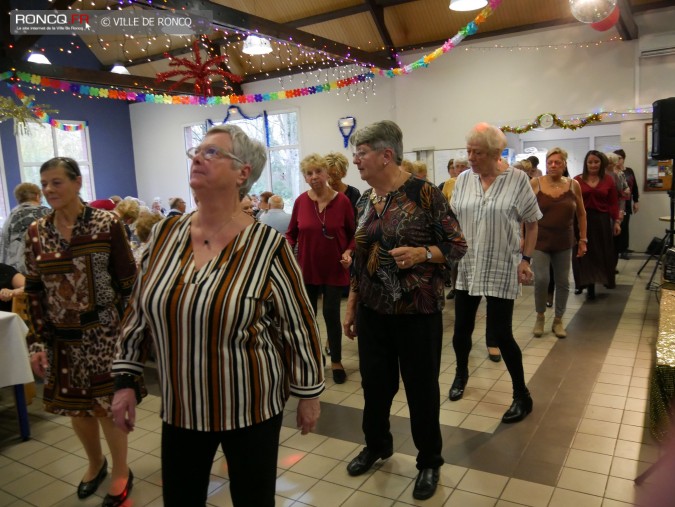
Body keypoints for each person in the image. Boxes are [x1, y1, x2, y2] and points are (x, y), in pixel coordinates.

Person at [111, 125, 324, 507]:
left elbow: (299, 323)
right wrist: (125, 379)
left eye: (212, 153)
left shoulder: (267, 246)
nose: (197, 157)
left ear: (243, 172)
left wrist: (308, 394)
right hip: (182, 403)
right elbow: (138, 309)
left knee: (253, 500)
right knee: (181, 499)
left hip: (251, 404)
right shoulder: (164, 234)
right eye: (197, 150)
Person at [343, 120, 467, 501]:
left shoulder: (425, 194)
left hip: (417, 312)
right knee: (375, 386)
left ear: (386, 155)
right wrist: (352, 303)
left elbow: (457, 244)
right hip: (373, 311)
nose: (355, 160)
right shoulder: (366, 199)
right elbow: (360, 256)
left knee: (421, 390)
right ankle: (377, 444)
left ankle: (429, 460)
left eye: (361, 153)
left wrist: (422, 253)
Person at [24, 157, 137, 507]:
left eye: (56, 182)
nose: (48, 189)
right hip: (62, 337)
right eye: (44, 183)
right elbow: (33, 290)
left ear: (77, 182)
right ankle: (95, 463)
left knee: (107, 408)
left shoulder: (106, 224)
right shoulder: (37, 232)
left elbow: (128, 283)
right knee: (78, 409)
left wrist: (132, 338)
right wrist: (36, 342)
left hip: (104, 333)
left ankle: (121, 471)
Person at [449, 123, 541, 424]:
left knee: (502, 334)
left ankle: (521, 395)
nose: (470, 158)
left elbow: (532, 223)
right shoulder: (464, 179)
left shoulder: (517, 180)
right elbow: (453, 221)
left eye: (477, 153)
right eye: (468, 151)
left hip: (502, 264)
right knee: (461, 329)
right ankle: (461, 374)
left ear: (494, 153)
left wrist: (525, 259)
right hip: (468, 264)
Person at [287, 153, 355, 384]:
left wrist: (348, 252)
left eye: (318, 171)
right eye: (309, 173)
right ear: (305, 178)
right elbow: (291, 234)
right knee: (308, 317)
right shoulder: (300, 202)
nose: (314, 176)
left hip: (334, 268)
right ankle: (313, 360)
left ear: (326, 174)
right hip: (307, 269)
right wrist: (286, 250)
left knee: (331, 315)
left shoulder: (342, 201)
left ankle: (336, 361)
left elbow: (353, 235)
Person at [531, 147, 587, 339]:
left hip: (564, 240)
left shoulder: (573, 185)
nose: (553, 165)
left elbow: (581, 214)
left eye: (557, 162)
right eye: (550, 162)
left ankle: (558, 320)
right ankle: (540, 316)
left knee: (563, 281)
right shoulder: (536, 183)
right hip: (540, 239)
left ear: (564, 164)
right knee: (541, 279)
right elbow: (524, 213)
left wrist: (583, 239)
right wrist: (522, 237)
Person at [572, 150, 621, 300]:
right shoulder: (577, 180)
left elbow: (613, 203)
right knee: (582, 253)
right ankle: (583, 283)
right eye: (590, 162)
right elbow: (571, 202)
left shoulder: (608, 180)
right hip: (581, 221)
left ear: (601, 163)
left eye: (596, 162)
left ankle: (598, 280)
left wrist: (617, 221)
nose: (593, 165)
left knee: (600, 253)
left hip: (601, 221)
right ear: (586, 164)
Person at [0, 182, 50, 272]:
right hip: (37, 270)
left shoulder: (10, 218)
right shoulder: (46, 213)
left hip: (11, 272)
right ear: (37, 196)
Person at [614, 148, 639, 259]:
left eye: (619, 158)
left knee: (625, 226)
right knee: (618, 225)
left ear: (623, 159)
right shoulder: (612, 172)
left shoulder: (629, 171)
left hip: (627, 203)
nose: (618, 161)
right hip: (617, 204)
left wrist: (636, 201)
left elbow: (635, 187)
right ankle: (617, 249)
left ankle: (624, 248)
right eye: (616, 158)